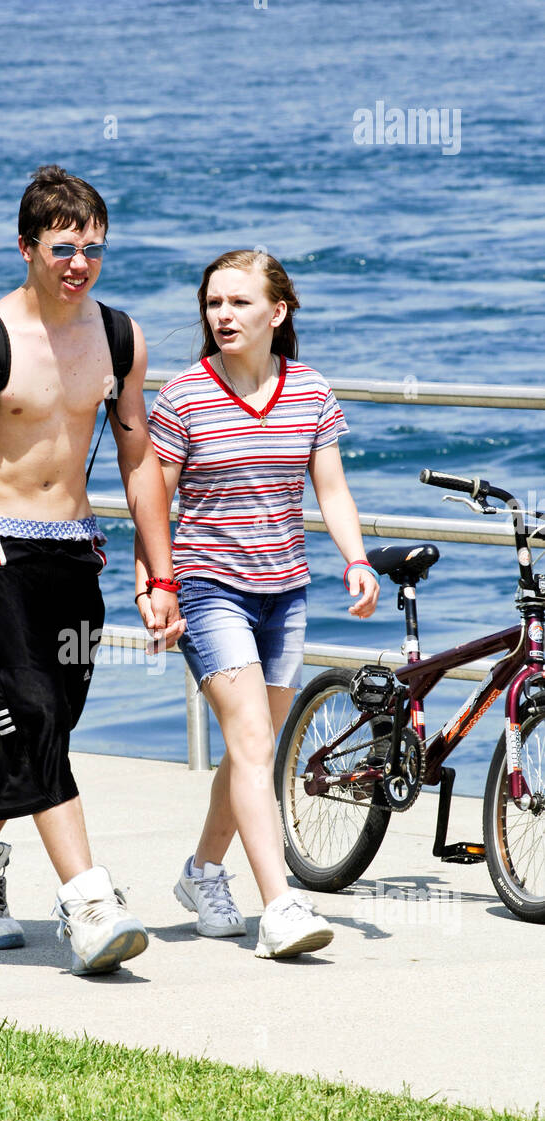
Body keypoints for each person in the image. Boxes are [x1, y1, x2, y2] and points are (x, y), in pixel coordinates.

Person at [0, 166, 184, 976]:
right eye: (63, 247)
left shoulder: (120, 338)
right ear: (26, 247)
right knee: (31, 707)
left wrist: (160, 578)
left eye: (93, 248)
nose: (79, 263)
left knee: (32, 722)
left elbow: (138, 461)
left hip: (73, 553)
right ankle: (89, 901)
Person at [139, 248, 380, 959]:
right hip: (209, 587)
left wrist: (357, 558)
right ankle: (279, 906)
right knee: (249, 744)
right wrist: (153, 583)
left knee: (255, 749)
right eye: (214, 303)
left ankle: (202, 873)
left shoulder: (308, 391)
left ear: (277, 312)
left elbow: (329, 488)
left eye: (239, 302)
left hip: (286, 591)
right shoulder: (184, 396)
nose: (222, 315)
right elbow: (154, 499)